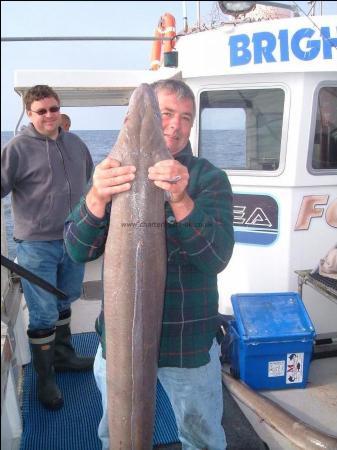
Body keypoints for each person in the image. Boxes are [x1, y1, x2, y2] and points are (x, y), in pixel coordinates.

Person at [64, 79, 234, 449]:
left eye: (185, 117)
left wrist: (180, 198)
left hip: (187, 343)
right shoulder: (112, 175)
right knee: (116, 434)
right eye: (166, 113)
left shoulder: (210, 179)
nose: (174, 125)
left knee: (203, 437)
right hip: (118, 341)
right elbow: (77, 251)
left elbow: (216, 257)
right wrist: (96, 197)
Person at [1, 84, 94, 411]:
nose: (49, 115)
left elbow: (91, 186)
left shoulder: (76, 143)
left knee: (65, 297)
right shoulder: (16, 148)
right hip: (36, 246)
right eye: (41, 111)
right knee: (41, 312)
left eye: (54, 109)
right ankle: (45, 378)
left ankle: (64, 355)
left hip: (75, 239)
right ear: (30, 113)